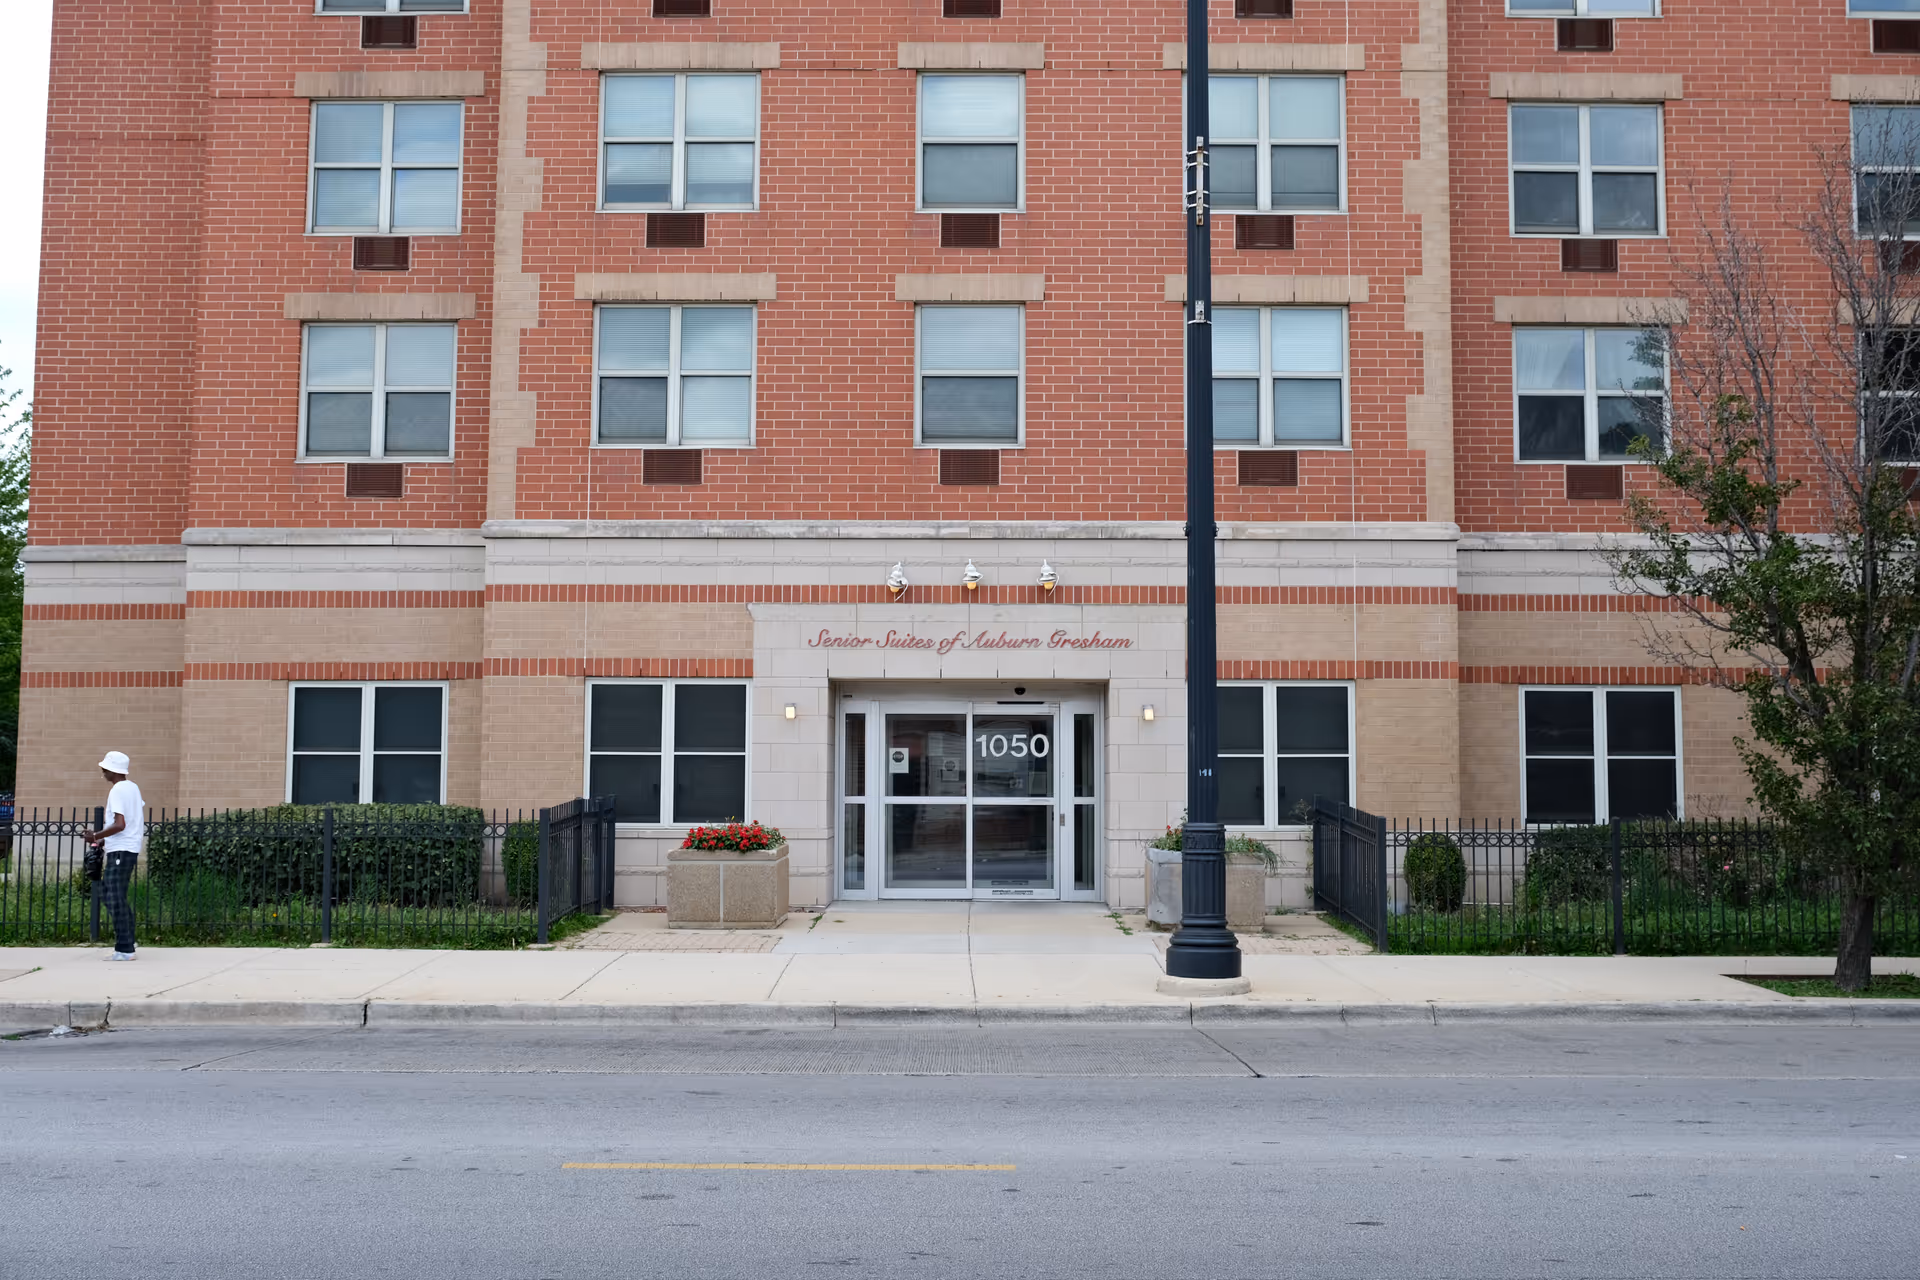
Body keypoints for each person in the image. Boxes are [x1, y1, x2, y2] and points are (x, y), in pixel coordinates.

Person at [83, 751, 144, 960]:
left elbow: (120, 824)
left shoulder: (118, 790)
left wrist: (95, 835)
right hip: (127, 848)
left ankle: (125, 950)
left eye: (105, 768)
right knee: (115, 896)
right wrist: (102, 840)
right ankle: (128, 941)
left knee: (112, 897)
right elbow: (130, 821)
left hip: (121, 850)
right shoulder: (133, 788)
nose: (103, 772)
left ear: (113, 770)